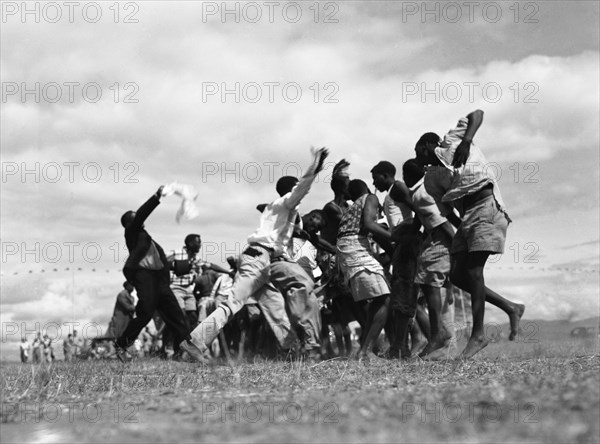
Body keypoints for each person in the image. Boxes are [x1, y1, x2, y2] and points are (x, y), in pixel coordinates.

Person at [182, 147, 329, 361]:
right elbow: (301, 189)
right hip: (257, 258)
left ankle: (291, 351)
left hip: (264, 261)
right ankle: (194, 342)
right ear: (291, 191)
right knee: (234, 302)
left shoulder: (281, 213)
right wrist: (315, 169)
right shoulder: (284, 203)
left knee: (275, 306)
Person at [415, 110, 525, 358]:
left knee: (474, 272)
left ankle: (478, 335)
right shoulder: (431, 179)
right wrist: (461, 228)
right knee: (458, 275)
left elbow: (477, 114)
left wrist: (465, 142)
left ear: (427, 145)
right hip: (467, 218)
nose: (418, 159)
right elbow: (447, 212)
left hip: (486, 206)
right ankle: (511, 307)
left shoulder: (452, 140)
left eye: (418, 152)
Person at [115, 186, 192, 361]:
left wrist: (184, 266)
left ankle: (184, 351)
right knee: (145, 314)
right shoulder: (131, 232)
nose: (140, 220)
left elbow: (160, 262)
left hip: (160, 280)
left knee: (177, 316)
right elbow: (141, 214)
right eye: (135, 217)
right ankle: (121, 344)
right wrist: (157, 196)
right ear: (129, 223)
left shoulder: (148, 239)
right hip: (145, 278)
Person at [371, 160, 425, 359]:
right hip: (403, 243)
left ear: (385, 175)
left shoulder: (398, 187)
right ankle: (401, 347)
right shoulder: (391, 194)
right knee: (402, 294)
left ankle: (400, 348)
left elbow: (419, 208)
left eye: (375, 178)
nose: (374, 184)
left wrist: (412, 231)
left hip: (408, 241)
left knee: (404, 293)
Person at [336, 179, 393, 360]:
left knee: (378, 299)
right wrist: (395, 237)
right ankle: (366, 351)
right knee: (385, 299)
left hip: (348, 249)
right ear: (366, 188)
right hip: (355, 247)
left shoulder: (350, 210)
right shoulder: (370, 197)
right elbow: (369, 225)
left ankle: (364, 349)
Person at [403, 158, 454, 358]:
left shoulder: (421, 194)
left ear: (409, 175)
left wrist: (456, 246)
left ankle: (438, 334)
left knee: (431, 285)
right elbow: (419, 222)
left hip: (441, 242)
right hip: (433, 242)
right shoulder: (420, 193)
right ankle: (437, 333)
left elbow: (443, 223)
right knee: (426, 284)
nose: (403, 178)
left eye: (404, 173)